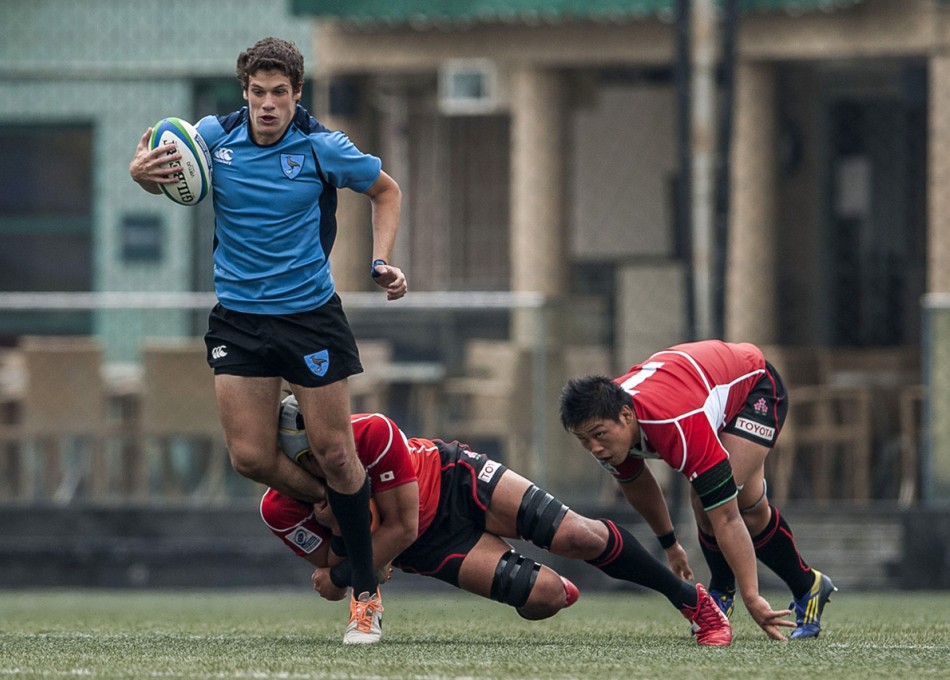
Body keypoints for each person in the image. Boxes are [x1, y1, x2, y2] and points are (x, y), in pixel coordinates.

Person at [128, 37, 405, 644]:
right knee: (250, 457)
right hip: (239, 319)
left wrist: (383, 261)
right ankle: (344, 509)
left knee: (337, 450)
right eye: (258, 93)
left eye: (280, 93)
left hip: (309, 317)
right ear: (245, 92)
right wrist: (140, 173)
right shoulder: (212, 138)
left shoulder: (321, 146)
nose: (269, 104)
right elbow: (164, 173)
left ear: (296, 94)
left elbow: (386, 190)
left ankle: (364, 595)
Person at [263, 395, 733, 646]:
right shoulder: (278, 508)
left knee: (577, 535)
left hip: (453, 480)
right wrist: (343, 543)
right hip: (429, 546)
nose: (326, 459)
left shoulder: (373, 432)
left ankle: (693, 602)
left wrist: (346, 573)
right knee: (547, 596)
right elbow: (331, 560)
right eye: (308, 458)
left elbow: (384, 539)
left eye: (328, 446)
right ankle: (530, 579)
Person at [559, 340, 836, 641]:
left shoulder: (676, 423)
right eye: (583, 440)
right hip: (705, 390)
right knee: (752, 511)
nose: (595, 448)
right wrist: (670, 544)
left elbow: (727, 518)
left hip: (754, 386)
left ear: (626, 416)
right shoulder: (607, 425)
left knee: (710, 502)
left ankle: (721, 593)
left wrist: (752, 596)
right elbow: (637, 486)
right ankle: (809, 585)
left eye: (598, 436)